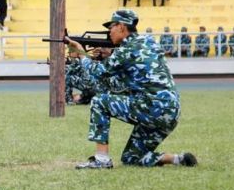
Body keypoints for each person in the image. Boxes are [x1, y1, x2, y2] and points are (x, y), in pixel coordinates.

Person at [67, 9, 197, 169]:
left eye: (111, 27)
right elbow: (117, 83)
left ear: (122, 27)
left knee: (100, 101)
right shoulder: (149, 41)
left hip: (152, 107)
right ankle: (176, 159)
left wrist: (80, 53)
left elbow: (99, 72)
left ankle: (101, 160)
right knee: (131, 158)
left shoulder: (126, 50)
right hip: (171, 112)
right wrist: (111, 56)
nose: (109, 31)